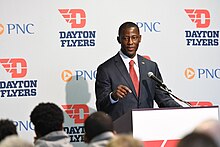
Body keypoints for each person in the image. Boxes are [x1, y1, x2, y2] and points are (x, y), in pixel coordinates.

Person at [95, 21, 182, 121]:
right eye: (125, 38)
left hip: (146, 128)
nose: (130, 42)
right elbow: (100, 106)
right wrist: (113, 96)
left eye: (134, 37)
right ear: (119, 40)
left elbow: (163, 98)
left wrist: (185, 112)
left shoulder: (150, 67)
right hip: (121, 130)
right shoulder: (106, 69)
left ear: (140, 38)